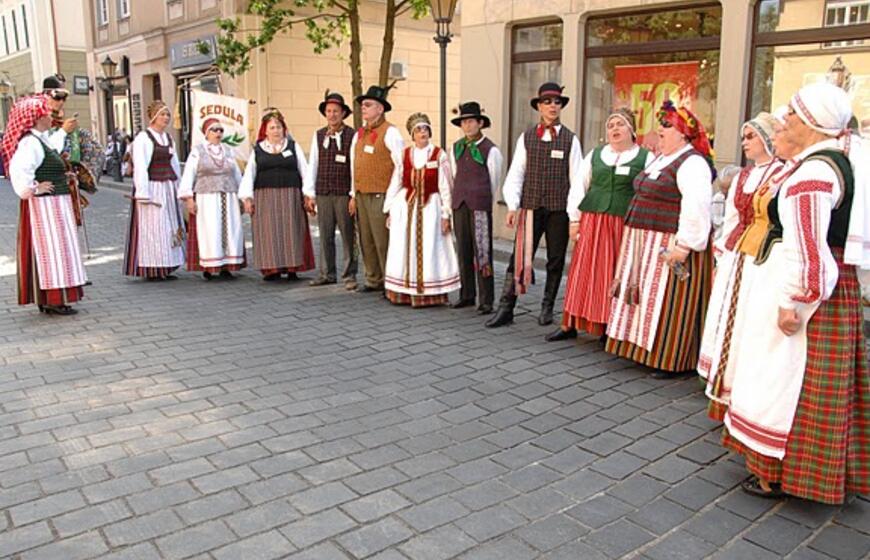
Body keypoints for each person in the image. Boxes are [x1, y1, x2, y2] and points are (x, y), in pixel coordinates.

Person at [709, 83, 868, 504]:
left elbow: (808, 247)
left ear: (812, 124)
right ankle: (804, 472)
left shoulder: (813, 173)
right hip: (829, 291)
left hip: (811, 296)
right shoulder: (830, 162)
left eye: (791, 117)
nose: (784, 122)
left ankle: (777, 474)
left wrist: (794, 300)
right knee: (809, 383)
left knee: (787, 381)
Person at [605, 100, 715, 379]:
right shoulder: (661, 158)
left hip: (669, 241)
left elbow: (696, 207)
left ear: (682, 132)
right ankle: (640, 348)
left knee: (667, 301)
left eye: (667, 124)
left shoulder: (692, 163)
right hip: (644, 239)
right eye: (662, 124)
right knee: (645, 298)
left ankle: (670, 358)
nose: (661, 129)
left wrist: (684, 246)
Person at [697, 113, 784, 418]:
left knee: (750, 321)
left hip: (763, 257)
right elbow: (732, 216)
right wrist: (722, 250)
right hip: (737, 253)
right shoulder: (744, 176)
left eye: (751, 137)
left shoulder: (782, 173)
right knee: (726, 317)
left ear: (768, 138)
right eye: (744, 137)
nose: (744, 143)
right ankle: (722, 381)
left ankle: (743, 389)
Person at [546, 108, 653, 342]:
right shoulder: (595, 155)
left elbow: (649, 193)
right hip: (593, 220)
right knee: (582, 272)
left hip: (622, 225)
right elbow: (578, 187)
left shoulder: (646, 158)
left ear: (632, 130)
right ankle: (570, 323)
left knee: (613, 273)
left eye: (620, 124)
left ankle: (608, 326)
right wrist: (574, 220)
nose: (614, 129)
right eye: (611, 125)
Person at [486, 82, 583, 328]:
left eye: (557, 102)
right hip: (530, 207)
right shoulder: (527, 137)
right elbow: (517, 173)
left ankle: (547, 307)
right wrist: (512, 205)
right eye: (547, 102)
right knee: (518, 256)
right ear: (539, 106)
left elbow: (577, 181)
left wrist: (574, 216)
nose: (552, 106)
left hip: (558, 210)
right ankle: (506, 308)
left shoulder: (571, 140)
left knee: (555, 259)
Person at [3, 95, 87, 314]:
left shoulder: (41, 139)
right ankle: (53, 299)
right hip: (45, 208)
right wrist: (32, 188)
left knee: (58, 250)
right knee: (52, 250)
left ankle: (52, 298)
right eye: (48, 113)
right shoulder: (30, 142)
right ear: (37, 117)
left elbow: (50, 155)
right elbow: (19, 170)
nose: (52, 116)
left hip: (54, 204)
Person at [383, 113, 460, 306]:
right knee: (404, 249)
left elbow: (446, 187)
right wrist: (390, 208)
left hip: (431, 209)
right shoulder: (404, 155)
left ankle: (430, 293)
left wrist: (446, 214)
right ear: (412, 134)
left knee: (431, 248)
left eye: (425, 129)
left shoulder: (438, 155)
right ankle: (404, 292)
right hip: (406, 209)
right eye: (418, 130)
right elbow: (396, 182)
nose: (422, 133)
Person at [239, 107, 315, 281]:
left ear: (284, 129)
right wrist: (247, 198)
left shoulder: (292, 146)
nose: (276, 131)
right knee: (268, 232)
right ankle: (271, 268)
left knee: (291, 230)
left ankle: (292, 267)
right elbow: (250, 174)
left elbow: (305, 170)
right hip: (265, 197)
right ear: (265, 130)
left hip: (290, 195)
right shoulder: (258, 150)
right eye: (272, 127)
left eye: (279, 127)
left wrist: (309, 193)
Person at [449, 101, 504, 314]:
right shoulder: (456, 147)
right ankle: (467, 294)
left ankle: (486, 299)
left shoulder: (490, 150)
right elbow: (454, 176)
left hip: (479, 205)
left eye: (471, 121)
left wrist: (482, 197)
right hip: (460, 203)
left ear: (480, 123)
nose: (467, 125)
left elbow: (494, 179)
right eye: (464, 122)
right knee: (463, 249)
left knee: (482, 252)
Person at [123, 101, 185, 280]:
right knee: (154, 227)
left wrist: (179, 187)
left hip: (168, 186)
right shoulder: (144, 138)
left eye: (167, 114)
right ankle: (152, 268)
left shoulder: (168, 138)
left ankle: (168, 265)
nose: (166, 118)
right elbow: (141, 166)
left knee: (170, 226)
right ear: (153, 117)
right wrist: (142, 192)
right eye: (162, 115)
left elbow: (174, 164)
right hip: (153, 186)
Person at [350, 85, 404, 293]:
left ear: (380, 108)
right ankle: (373, 278)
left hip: (381, 194)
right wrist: (353, 193)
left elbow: (400, 166)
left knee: (383, 240)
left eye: (368, 105)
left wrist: (392, 197)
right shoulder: (360, 134)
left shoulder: (391, 132)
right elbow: (354, 165)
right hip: (362, 193)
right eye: (362, 105)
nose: (363, 108)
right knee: (367, 239)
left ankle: (390, 281)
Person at [178, 118, 246, 280]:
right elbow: (188, 175)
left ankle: (226, 266)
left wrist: (244, 196)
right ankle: (209, 266)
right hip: (206, 198)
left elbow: (237, 174)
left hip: (228, 196)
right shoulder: (198, 151)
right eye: (214, 130)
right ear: (206, 133)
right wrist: (188, 198)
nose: (218, 133)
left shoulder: (228, 151)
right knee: (210, 230)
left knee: (230, 230)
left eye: (220, 130)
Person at [304, 91, 358, 290]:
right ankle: (327, 273)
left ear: (343, 113)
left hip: (343, 192)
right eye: (329, 111)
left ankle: (349, 274)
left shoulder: (353, 135)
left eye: (336, 111)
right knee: (325, 234)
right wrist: (309, 193)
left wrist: (353, 194)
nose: (332, 115)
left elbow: (354, 166)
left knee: (348, 235)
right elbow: (313, 165)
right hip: (324, 192)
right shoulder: (318, 135)